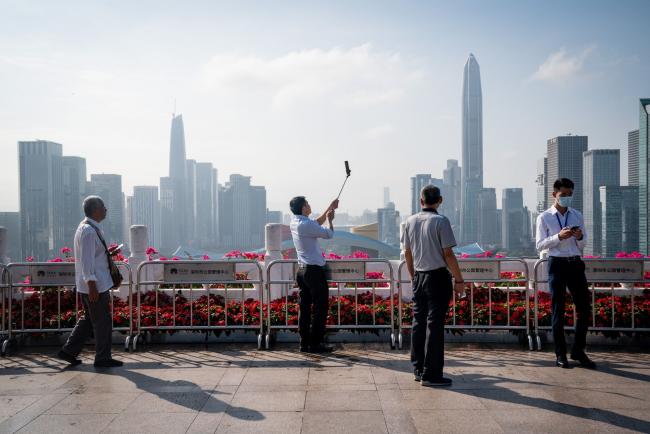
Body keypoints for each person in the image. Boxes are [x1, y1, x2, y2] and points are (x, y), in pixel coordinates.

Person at [402, 185, 464, 387]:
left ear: (421, 201)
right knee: (434, 324)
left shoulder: (410, 221)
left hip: (419, 276)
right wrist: (459, 280)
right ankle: (432, 374)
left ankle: (418, 368)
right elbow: (448, 254)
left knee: (418, 322)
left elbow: (408, 254)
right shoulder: (441, 221)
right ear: (440, 200)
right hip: (437, 277)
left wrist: (413, 276)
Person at [536, 178, 596, 370]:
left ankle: (578, 350)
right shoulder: (544, 217)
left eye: (570, 194)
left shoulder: (577, 215)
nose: (567, 198)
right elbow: (539, 245)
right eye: (563, 195)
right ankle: (560, 354)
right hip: (557, 264)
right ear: (554, 195)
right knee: (558, 310)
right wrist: (557, 237)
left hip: (575, 264)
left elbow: (583, 243)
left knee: (585, 309)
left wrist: (579, 237)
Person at [58, 196, 123, 368]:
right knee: (103, 322)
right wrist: (92, 285)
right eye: (103, 206)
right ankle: (102, 358)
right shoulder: (88, 231)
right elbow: (87, 262)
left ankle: (69, 351)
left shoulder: (89, 228)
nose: (106, 209)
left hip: (93, 284)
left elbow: (91, 256)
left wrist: (106, 253)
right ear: (95, 210)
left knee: (89, 319)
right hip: (95, 285)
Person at [289, 196, 338, 353]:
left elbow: (315, 223)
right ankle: (315, 343)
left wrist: (329, 208)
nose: (310, 205)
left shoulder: (295, 222)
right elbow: (329, 234)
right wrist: (330, 220)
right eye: (308, 204)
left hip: (302, 271)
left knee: (304, 308)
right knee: (320, 307)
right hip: (314, 271)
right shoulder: (306, 224)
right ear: (304, 208)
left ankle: (304, 343)